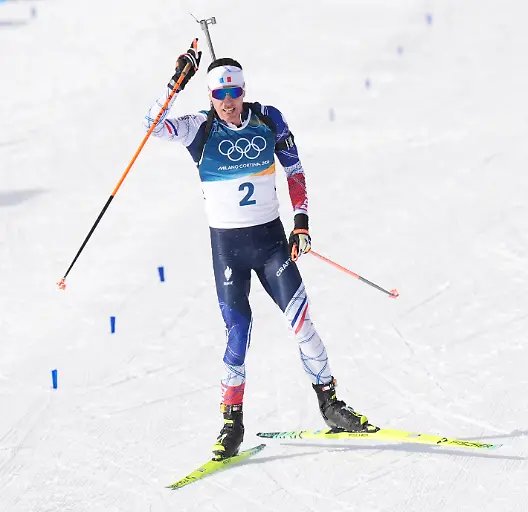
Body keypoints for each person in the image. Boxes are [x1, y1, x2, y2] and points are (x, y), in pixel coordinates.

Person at [144, 40, 370, 460]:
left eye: (234, 92)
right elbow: (151, 126)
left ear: (244, 90)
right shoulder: (198, 127)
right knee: (238, 334)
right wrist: (176, 83)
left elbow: (295, 168)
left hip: (269, 243)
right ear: (209, 96)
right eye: (219, 94)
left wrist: (301, 222)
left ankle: (330, 403)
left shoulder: (268, 119)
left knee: (302, 323)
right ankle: (232, 422)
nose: (228, 102)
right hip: (228, 248)